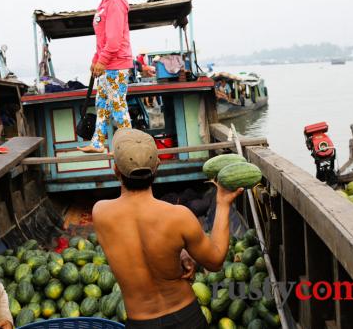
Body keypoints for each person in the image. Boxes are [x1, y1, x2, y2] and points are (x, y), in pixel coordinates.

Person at [92, 128, 243, 328]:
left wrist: (178, 250)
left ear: (116, 171)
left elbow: (139, 241)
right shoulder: (178, 216)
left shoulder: (101, 213)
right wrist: (223, 203)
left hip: (141, 321)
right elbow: (215, 262)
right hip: (187, 317)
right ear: (157, 167)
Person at [76, 0, 133, 153]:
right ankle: (98, 142)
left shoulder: (115, 3)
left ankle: (129, 146)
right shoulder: (104, 3)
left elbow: (114, 39)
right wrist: (96, 60)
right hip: (107, 64)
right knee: (102, 105)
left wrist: (102, 60)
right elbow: (102, 39)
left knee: (118, 106)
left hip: (116, 64)